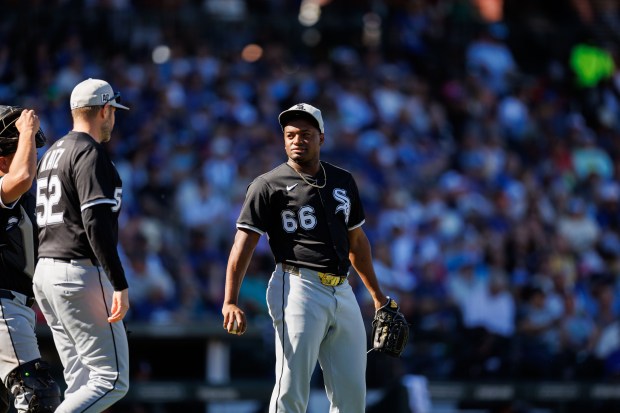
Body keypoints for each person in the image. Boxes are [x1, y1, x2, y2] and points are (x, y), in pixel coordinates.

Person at [222, 103, 390, 412]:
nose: (297, 140)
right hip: (297, 285)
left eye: (306, 134)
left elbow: (357, 242)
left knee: (352, 395)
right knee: (291, 388)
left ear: (321, 138)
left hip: (342, 288)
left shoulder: (343, 181)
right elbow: (242, 245)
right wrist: (230, 299)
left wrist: (377, 296)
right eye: (290, 135)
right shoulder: (267, 185)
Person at [32, 78, 130, 412]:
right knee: (112, 380)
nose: (114, 119)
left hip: (47, 269)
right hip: (78, 271)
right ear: (105, 110)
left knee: (81, 379)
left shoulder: (52, 153)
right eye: (113, 111)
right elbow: (96, 224)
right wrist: (119, 282)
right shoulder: (89, 152)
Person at [0, 106, 61, 412]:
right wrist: (24, 131)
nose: (32, 157)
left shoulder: (23, 200)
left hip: (15, 307)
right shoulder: (7, 185)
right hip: (3, 310)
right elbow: (22, 175)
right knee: (36, 394)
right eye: (24, 149)